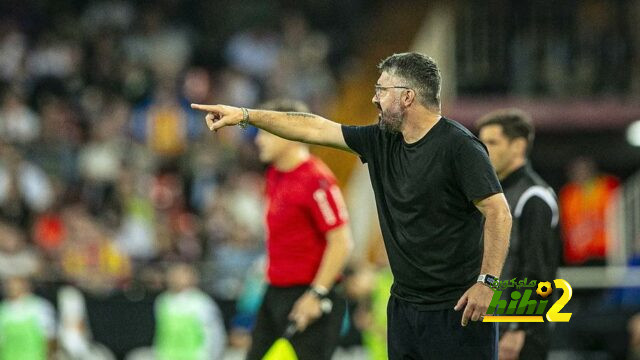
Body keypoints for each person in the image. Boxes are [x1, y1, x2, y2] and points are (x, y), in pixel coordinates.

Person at [192, 52, 512, 359]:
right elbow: (313, 126)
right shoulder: (380, 140)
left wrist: (487, 282)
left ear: (408, 97)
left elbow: (498, 213)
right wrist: (246, 116)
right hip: (404, 307)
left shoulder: (459, 147)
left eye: (381, 90)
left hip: (457, 307)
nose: (374, 99)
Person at [244, 99, 352, 360]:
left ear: (290, 132)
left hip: (309, 294)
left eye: (264, 131)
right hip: (275, 291)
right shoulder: (274, 174)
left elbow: (342, 242)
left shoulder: (316, 178)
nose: (258, 140)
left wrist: (316, 295)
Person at [477, 109, 561, 360]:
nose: (484, 149)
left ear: (518, 146)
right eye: (481, 143)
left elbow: (537, 272)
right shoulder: (493, 197)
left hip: (519, 334)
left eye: (492, 142)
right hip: (493, 325)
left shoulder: (534, 197)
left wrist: (518, 328)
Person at [154, 263, 226, 360]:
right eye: (174, 274)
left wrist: (210, 356)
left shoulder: (202, 303)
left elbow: (214, 335)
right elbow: (160, 334)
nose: (175, 277)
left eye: (182, 274)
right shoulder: (162, 301)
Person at [0, 276, 56, 360]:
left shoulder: (39, 306)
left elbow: (50, 336)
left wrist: (50, 356)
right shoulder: (3, 309)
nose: (13, 288)